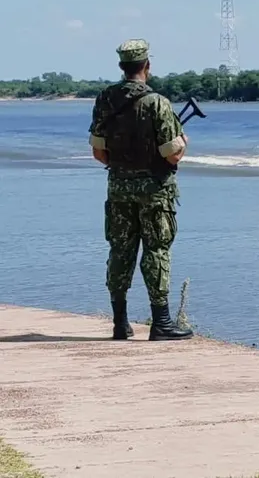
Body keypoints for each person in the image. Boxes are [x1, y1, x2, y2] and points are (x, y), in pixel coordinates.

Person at [88, 38, 194, 341]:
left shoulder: (106, 99)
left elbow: (99, 153)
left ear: (122, 66)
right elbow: (171, 156)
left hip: (119, 188)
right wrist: (183, 143)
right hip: (155, 191)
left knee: (120, 249)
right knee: (156, 250)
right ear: (147, 65)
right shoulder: (158, 103)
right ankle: (161, 323)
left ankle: (120, 323)